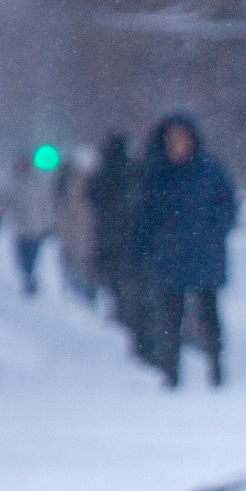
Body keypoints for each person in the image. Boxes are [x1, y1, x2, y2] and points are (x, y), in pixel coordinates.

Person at [133, 114, 237, 387]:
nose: (178, 145)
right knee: (169, 316)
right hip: (169, 257)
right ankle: (171, 371)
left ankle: (216, 369)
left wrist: (214, 232)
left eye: (183, 138)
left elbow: (228, 205)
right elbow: (145, 216)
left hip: (205, 254)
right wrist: (150, 246)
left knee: (208, 314)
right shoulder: (157, 174)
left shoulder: (210, 170)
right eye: (173, 139)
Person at [88, 133, 142, 343]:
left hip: (109, 240)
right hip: (129, 240)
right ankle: (130, 319)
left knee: (116, 283)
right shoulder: (132, 172)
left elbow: (92, 200)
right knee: (130, 284)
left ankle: (123, 316)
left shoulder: (102, 174)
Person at [3, 150, 58, 298]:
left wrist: (48, 222)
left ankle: (30, 279)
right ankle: (27, 278)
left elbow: (46, 203)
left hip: (36, 227)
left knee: (32, 256)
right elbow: (8, 202)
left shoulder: (39, 180)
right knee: (21, 256)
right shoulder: (14, 181)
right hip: (20, 227)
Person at [57, 147, 100, 305]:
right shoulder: (69, 185)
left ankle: (85, 298)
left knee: (86, 269)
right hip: (76, 236)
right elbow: (66, 212)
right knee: (76, 268)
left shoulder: (96, 187)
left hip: (87, 237)